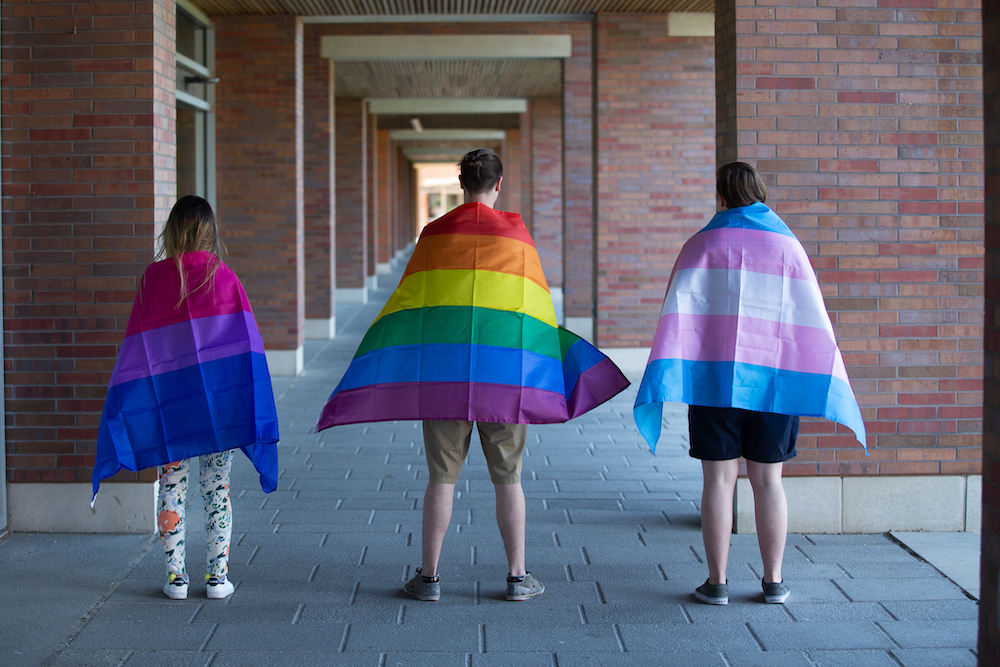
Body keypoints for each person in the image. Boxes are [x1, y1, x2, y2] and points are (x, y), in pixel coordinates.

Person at [316, 148, 630, 601]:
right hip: (504, 380)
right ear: (498, 185)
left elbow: (413, 306)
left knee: (441, 476)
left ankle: (428, 579)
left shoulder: (434, 234)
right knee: (510, 477)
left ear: (461, 183)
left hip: (445, 378)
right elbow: (535, 311)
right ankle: (518, 578)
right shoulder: (518, 237)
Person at [633, 162, 866, 606]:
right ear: (760, 193)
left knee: (719, 481)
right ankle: (774, 581)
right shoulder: (787, 246)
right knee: (768, 481)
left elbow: (678, 314)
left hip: (713, 381)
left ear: (720, 196)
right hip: (775, 382)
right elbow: (808, 316)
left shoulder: (700, 245)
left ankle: (717, 582)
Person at [92, 195, 280, 601]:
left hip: (170, 408)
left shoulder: (152, 279)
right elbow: (247, 347)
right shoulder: (225, 277)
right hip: (217, 410)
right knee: (217, 488)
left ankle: (176, 578)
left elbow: (139, 351)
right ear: (211, 235)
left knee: (172, 484)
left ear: (172, 232)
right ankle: (217, 578)